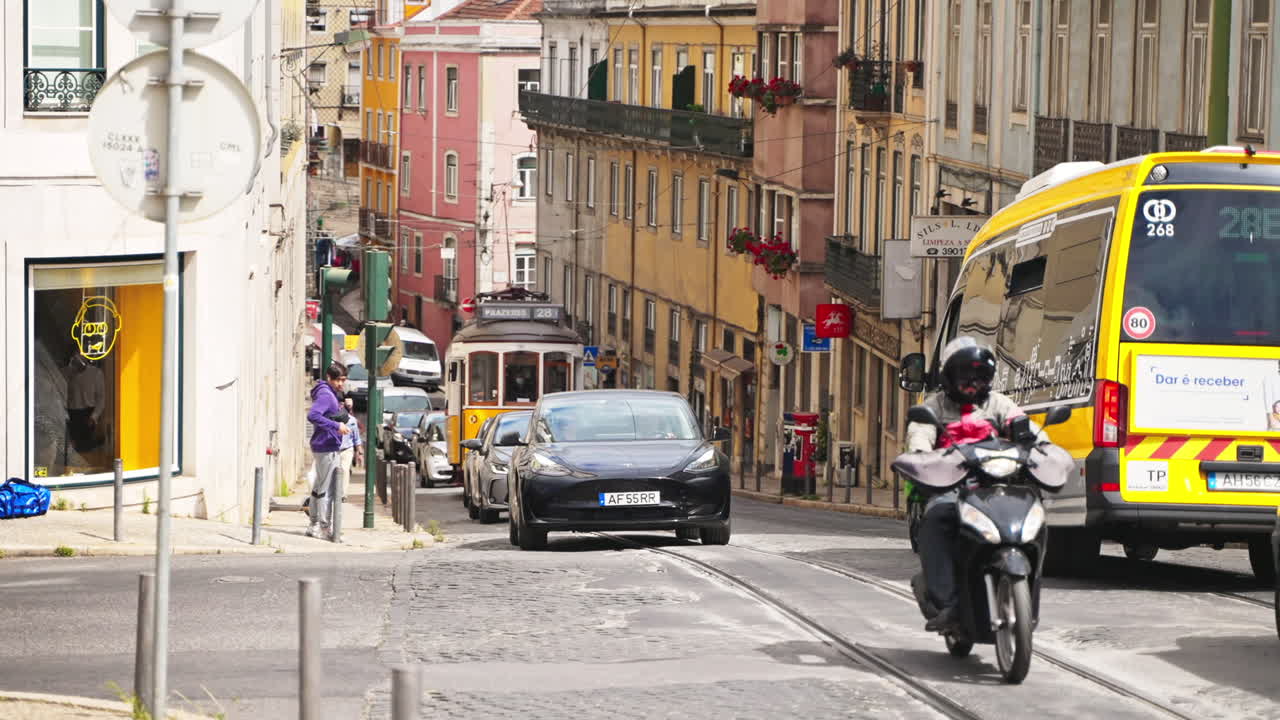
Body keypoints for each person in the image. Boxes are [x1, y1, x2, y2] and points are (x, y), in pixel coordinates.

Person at [904, 337, 1035, 632]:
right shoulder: (934, 406)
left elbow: (1027, 427)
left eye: (979, 376)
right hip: (952, 487)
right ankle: (949, 603)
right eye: (964, 376)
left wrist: (1038, 446)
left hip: (998, 486)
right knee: (938, 518)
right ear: (949, 377)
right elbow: (919, 437)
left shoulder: (999, 404)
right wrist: (922, 458)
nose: (971, 383)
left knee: (1034, 516)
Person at [307, 362, 351, 539]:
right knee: (327, 489)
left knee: (319, 487)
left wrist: (343, 410)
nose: (341, 384)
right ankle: (324, 527)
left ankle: (314, 524)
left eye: (343, 380)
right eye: (338, 380)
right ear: (329, 378)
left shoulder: (327, 393)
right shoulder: (326, 394)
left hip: (324, 444)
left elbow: (325, 414)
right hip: (326, 445)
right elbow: (313, 415)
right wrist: (336, 425)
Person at [337, 397, 363, 502]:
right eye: (343, 404)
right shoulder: (333, 418)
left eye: (348, 405)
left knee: (344, 470)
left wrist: (360, 452)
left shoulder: (352, 420)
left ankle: (343, 494)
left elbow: (356, 437)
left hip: (347, 449)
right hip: (334, 449)